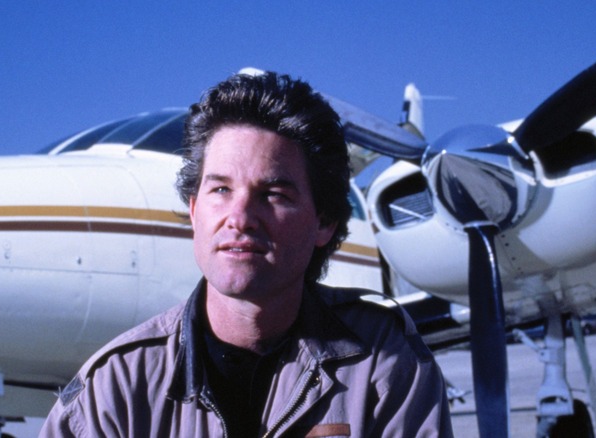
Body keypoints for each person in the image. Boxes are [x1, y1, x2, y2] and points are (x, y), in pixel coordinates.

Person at [40, 71, 453, 437]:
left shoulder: (387, 362)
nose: (239, 217)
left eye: (273, 194)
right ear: (194, 209)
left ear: (324, 222)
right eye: (220, 190)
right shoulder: (114, 387)